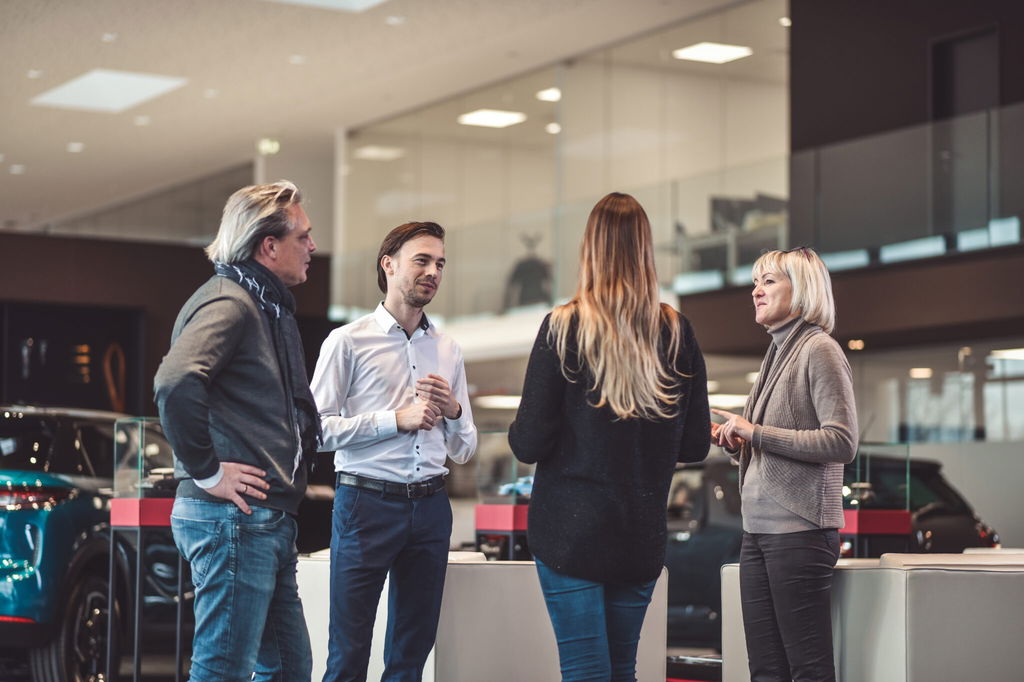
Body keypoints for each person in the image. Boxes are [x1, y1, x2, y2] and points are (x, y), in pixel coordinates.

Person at [508, 192, 711, 681]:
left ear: (590, 249)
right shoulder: (676, 332)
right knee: (622, 670)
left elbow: (528, 443)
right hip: (638, 534)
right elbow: (695, 446)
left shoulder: (563, 327)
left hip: (569, 535)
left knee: (584, 671)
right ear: (645, 249)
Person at [154, 180, 320, 682]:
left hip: (262, 521)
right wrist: (207, 472)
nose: (313, 247)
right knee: (223, 669)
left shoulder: (266, 306)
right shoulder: (230, 302)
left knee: (290, 668)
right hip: (234, 519)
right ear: (268, 246)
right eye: (303, 237)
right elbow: (175, 381)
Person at [311, 221, 478, 682]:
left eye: (440, 263)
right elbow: (316, 432)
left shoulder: (448, 349)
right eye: (421, 260)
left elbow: (465, 451)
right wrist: (394, 420)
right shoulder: (346, 342)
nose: (433, 272)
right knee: (348, 652)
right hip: (365, 505)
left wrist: (453, 408)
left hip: (430, 508)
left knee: (411, 656)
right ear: (388, 265)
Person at [710, 247, 858, 682]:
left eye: (769, 281)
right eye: (756, 282)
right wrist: (733, 438)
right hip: (757, 533)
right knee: (766, 671)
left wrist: (754, 432)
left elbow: (842, 441)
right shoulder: (776, 353)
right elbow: (767, 443)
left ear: (804, 289)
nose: (756, 291)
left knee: (807, 669)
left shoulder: (819, 350)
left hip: (799, 533)